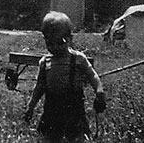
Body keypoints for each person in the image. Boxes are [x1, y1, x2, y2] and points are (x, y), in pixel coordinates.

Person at [24, 11, 107, 142]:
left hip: (74, 108)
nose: (55, 47)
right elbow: (39, 86)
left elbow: (93, 76)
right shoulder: (45, 62)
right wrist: (31, 106)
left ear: (70, 38)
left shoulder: (78, 58)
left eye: (60, 42)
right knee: (50, 138)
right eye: (50, 43)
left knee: (75, 137)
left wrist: (99, 90)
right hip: (52, 108)